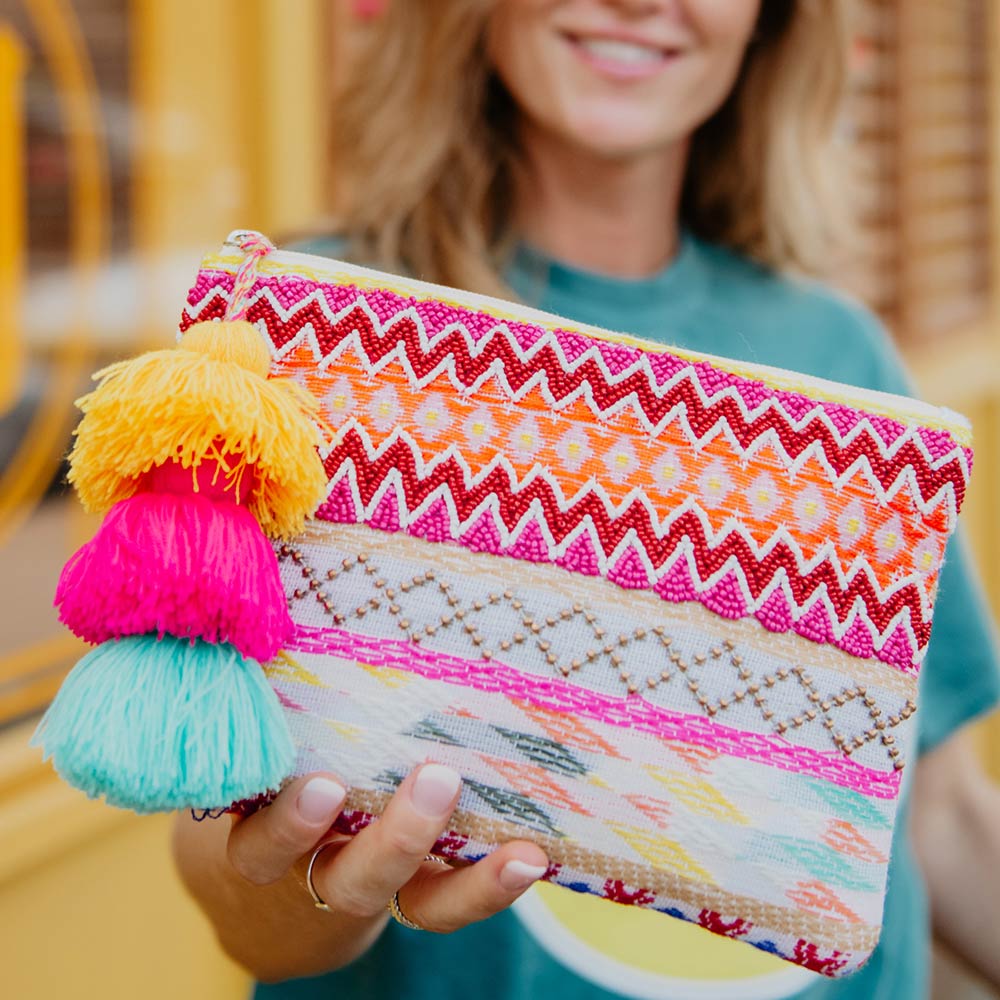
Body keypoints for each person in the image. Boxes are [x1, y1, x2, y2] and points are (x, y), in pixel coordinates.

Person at [172, 2, 1000, 997]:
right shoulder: (313, 339)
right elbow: (224, 848)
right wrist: (305, 886)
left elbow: (940, 811)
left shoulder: (840, 356)